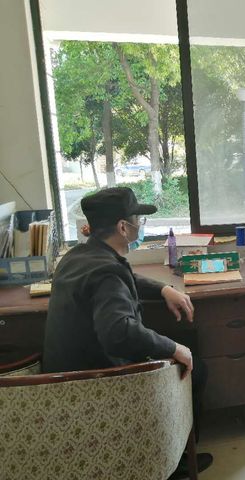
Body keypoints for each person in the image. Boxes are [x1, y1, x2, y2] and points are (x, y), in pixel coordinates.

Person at [43, 187, 212, 478]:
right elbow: (119, 333)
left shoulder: (77, 256)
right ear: (123, 227)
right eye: (138, 221)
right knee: (196, 366)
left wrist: (163, 288)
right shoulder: (107, 272)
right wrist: (174, 349)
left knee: (180, 346)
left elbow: (124, 277)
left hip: (63, 382)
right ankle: (176, 461)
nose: (140, 226)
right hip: (100, 385)